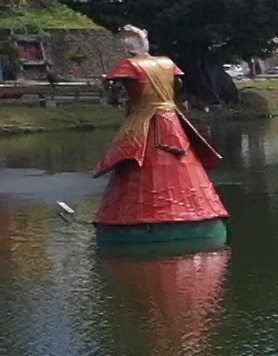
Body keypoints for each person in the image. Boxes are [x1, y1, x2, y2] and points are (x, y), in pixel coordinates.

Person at [93, 26, 228, 242]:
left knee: (139, 166)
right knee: (183, 166)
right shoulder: (167, 63)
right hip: (172, 120)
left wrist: (109, 90)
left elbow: (113, 95)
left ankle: (143, 224)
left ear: (128, 47)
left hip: (145, 120)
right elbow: (178, 85)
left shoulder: (130, 65)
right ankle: (202, 216)